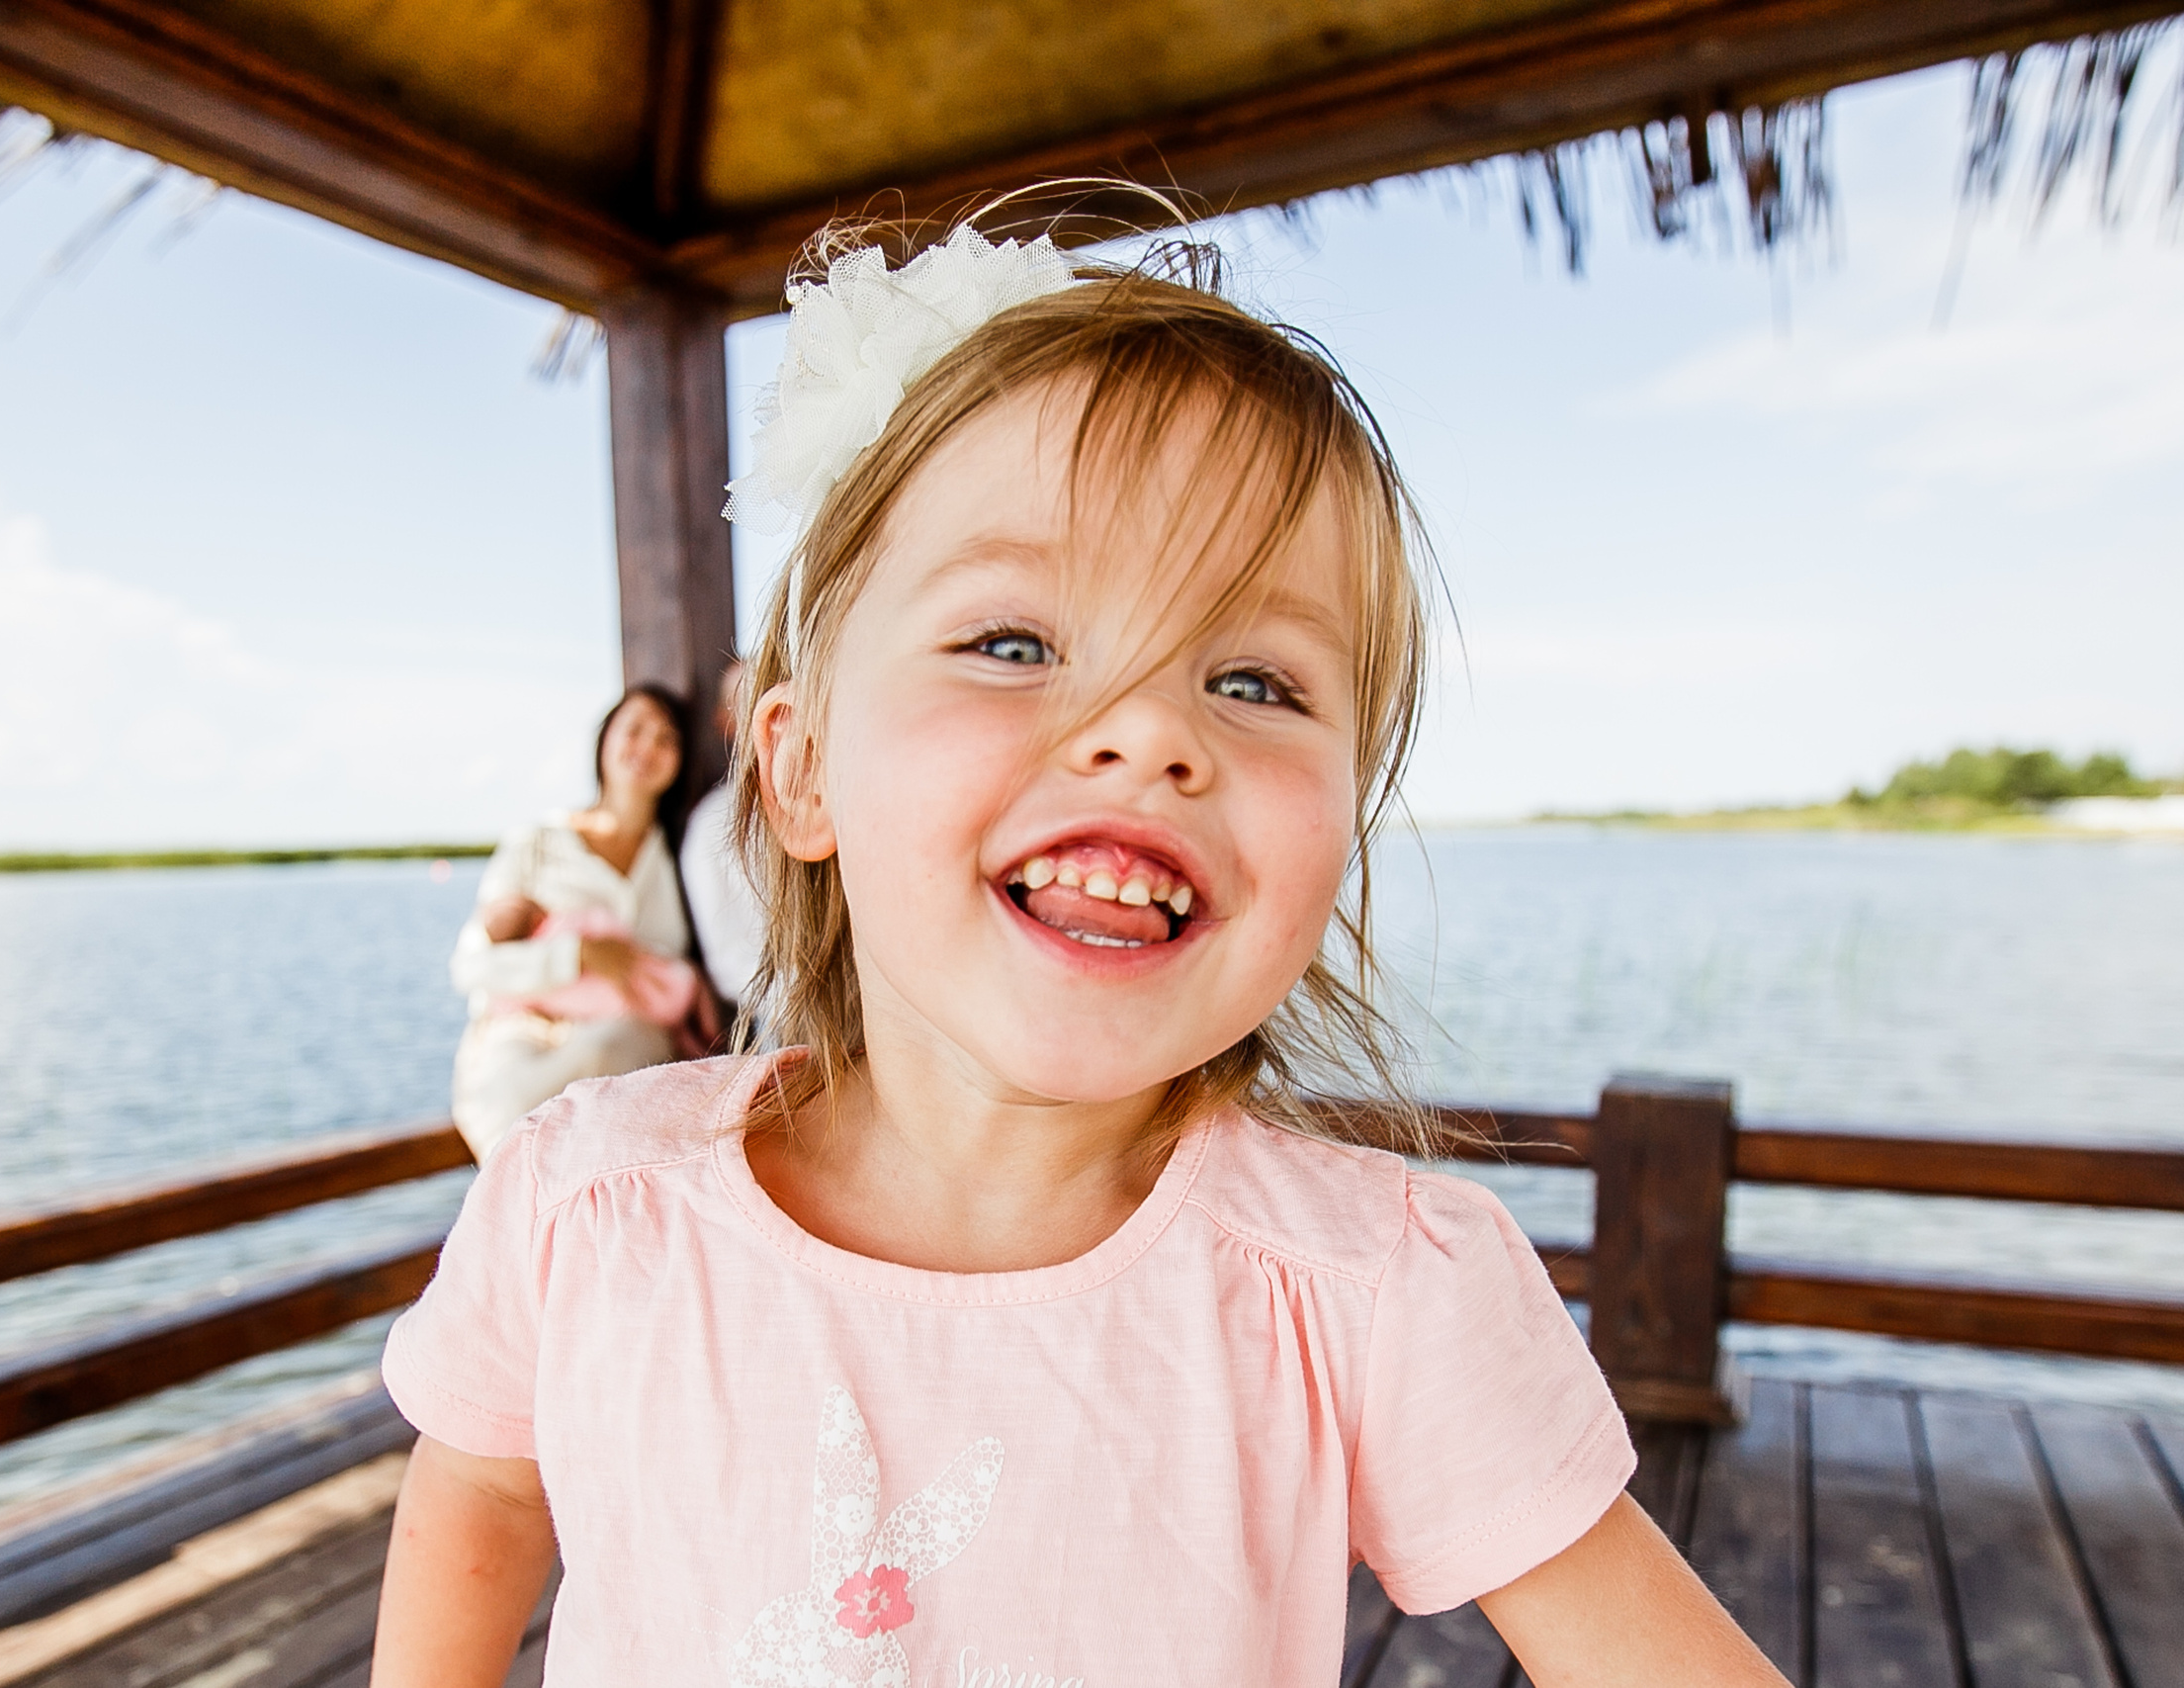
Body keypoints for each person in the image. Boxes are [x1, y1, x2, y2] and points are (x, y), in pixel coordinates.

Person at [376, 213, 1790, 1687]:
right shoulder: (589, 1205)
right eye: (1014, 643)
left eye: (1253, 676)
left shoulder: (1367, 1294)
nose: (1150, 733)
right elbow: (484, 1482)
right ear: (800, 770)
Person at [445, 684, 714, 1161]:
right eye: (635, 729)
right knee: (509, 1109)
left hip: (624, 1043)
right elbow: (470, 968)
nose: (648, 747)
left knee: (618, 1060)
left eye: (666, 738)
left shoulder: (677, 861)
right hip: (525, 1032)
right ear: (604, 739)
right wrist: (579, 955)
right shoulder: (538, 843)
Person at [679, 659, 765, 1009]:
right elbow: (727, 961)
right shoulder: (713, 823)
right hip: (783, 1019)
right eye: (745, 697)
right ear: (725, 723)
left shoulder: (841, 798)